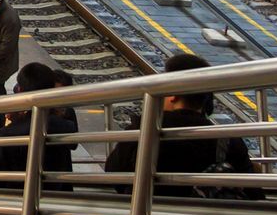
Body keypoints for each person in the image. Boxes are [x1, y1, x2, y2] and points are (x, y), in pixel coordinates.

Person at [104, 53, 257, 196]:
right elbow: (253, 193)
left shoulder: (144, 129)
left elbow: (113, 174)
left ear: (172, 95)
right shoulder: (228, 140)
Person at [0, 63, 76, 178]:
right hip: (55, 194)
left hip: (14, 193)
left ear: (20, 90)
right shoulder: (64, 128)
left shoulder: (6, 136)